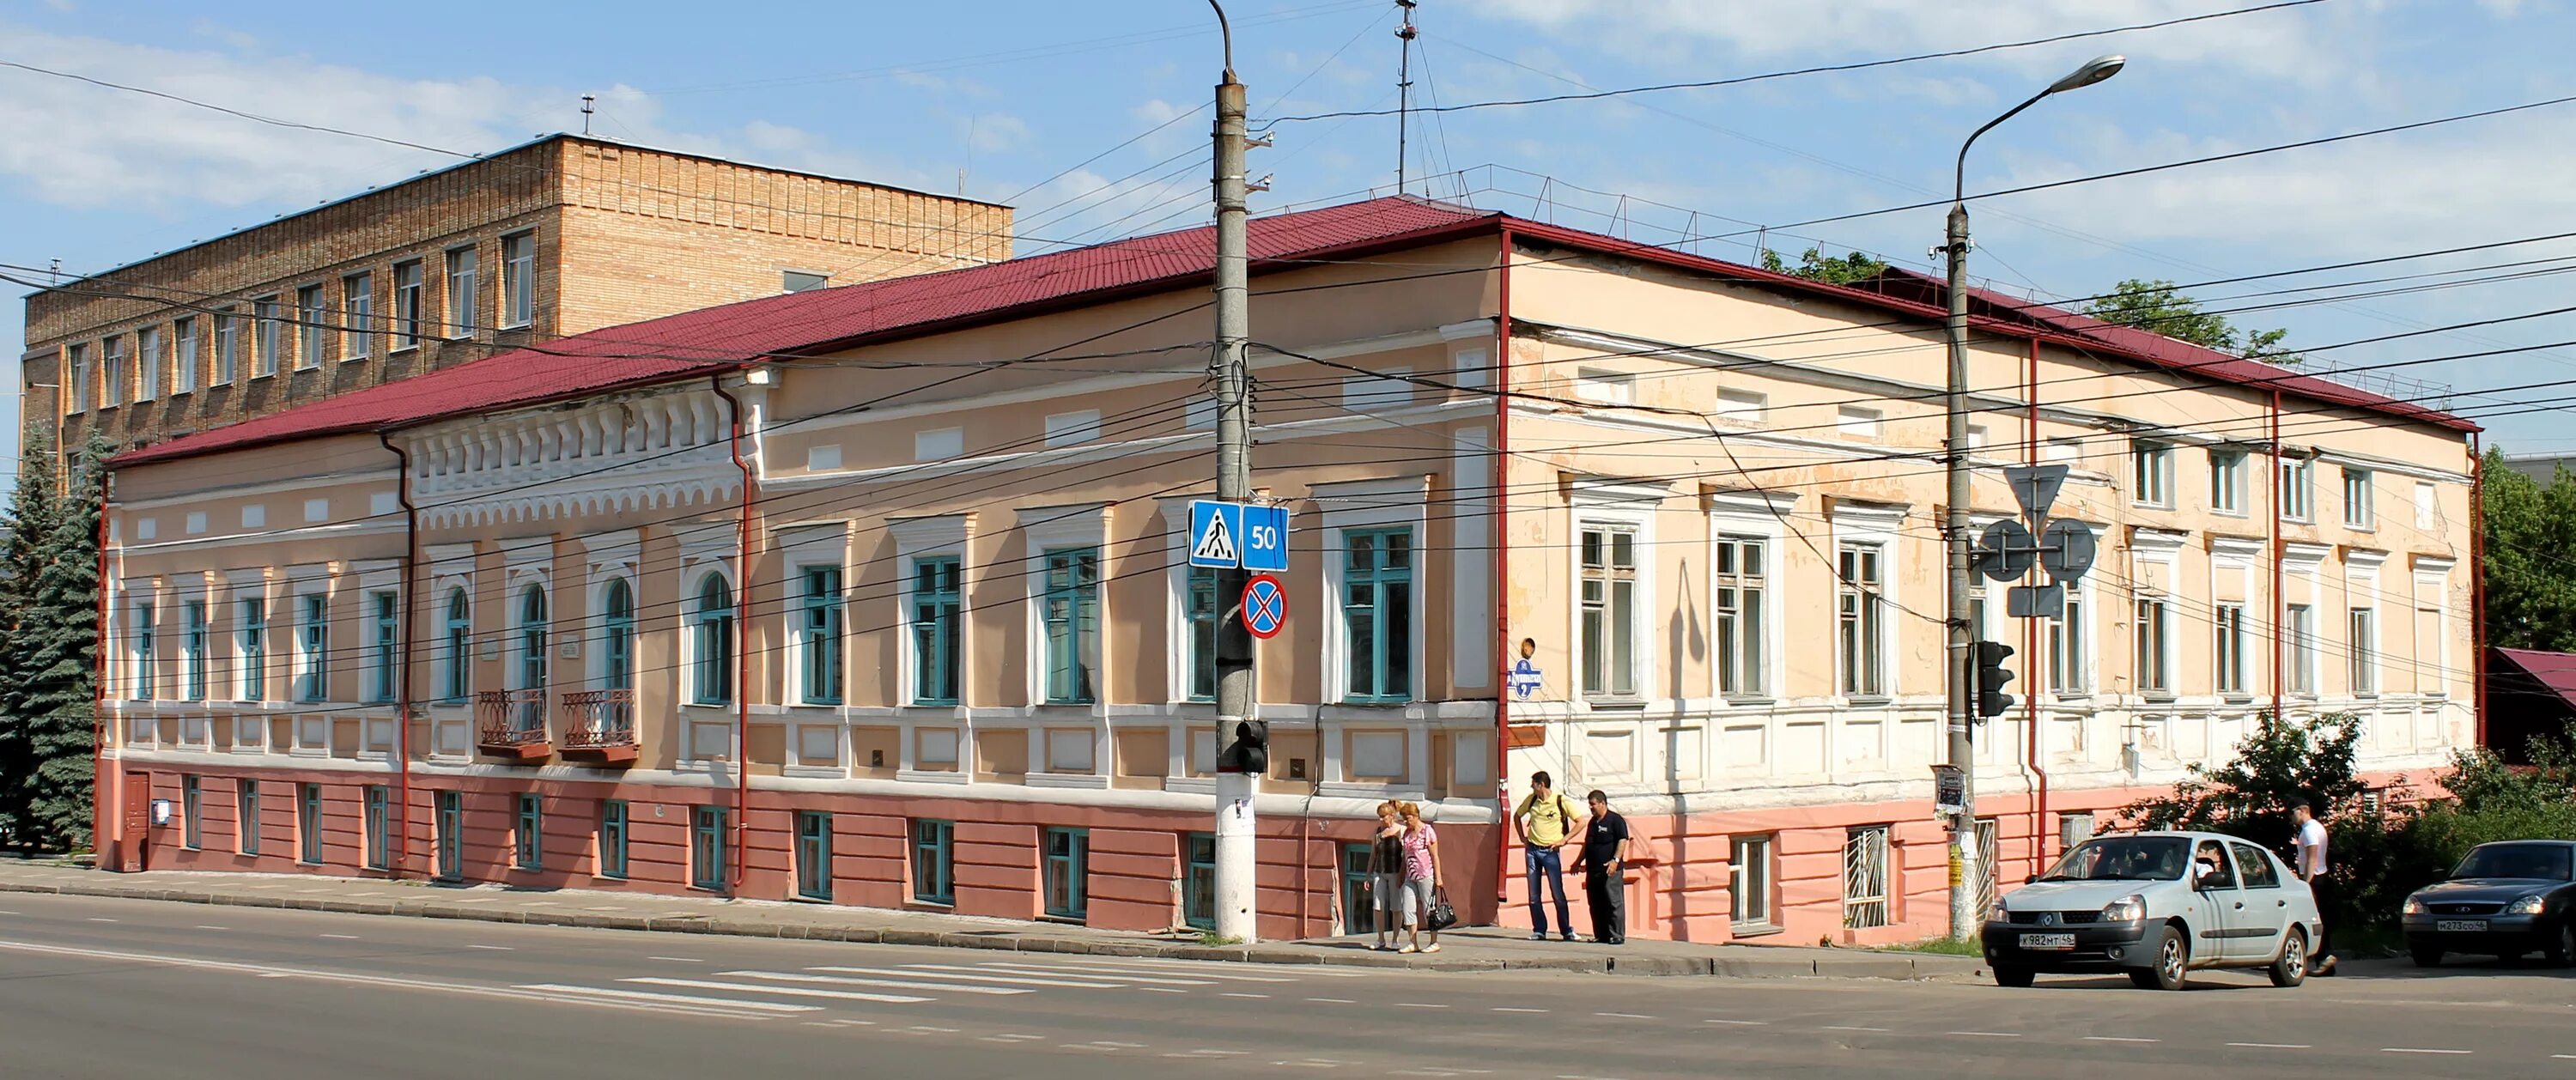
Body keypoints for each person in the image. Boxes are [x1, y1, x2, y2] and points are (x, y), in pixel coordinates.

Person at [1513, 771, 1584, 942]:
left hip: (1551, 851)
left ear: (1541, 785)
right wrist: (1523, 837)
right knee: (1534, 894)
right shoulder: (1532, 800)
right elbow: (1517, 816)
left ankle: (1566, 930)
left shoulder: (1560, 801)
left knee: (1557, 892)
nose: (1532, 787)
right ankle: (1539, 929)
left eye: (1533, 784)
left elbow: (1581, 822)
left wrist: (1564, 840)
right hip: (1532, 850)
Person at [1571, 790, 1633, 945]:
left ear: (1603, 803)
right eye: (1590, 805)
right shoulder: (1593, 822)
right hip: (1593, 870)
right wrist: (1578, 862)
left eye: (1593, 804)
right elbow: (1588, 844)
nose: (1591, 808)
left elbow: (1623, 840)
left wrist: (1615, 860)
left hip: (1610, 870)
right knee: (1596, 903)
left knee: (1613, 902)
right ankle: (1601, 935)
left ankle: (1617, 935)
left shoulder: (1615, 820)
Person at [2293, 801, 2338, 975]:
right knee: (2322, 917)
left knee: (2315, 919)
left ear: (2303, 810)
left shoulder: (2309, 830)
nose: (2291, 817)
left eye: (2293, 812)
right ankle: (2326, 963)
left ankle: (2325, 955)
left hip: (2315, 878)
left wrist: (2306, 882)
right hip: (2323, 876)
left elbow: (2312, 858)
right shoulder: (2318, 827)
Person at [1397, 801, 1443, 954]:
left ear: (1416, 816)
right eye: (1403, 818)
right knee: (1408, 907)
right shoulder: (1407, 834)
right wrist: (1401, 875)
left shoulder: (1427, 831)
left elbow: (1435, 856)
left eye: (1407, 818)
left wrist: (1438, 877)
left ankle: (1434, 941)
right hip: (1410, 877)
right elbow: (1405, 856)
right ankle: (1412, 942)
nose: (1405, 822)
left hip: (1426, 875)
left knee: (1429, 909)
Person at [1365, 801, 1406, 950]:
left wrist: (1403, 873)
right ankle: (1380, 938)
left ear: (1392, 816)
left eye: (1383, 817)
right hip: (1379, 871)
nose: (1381, 820)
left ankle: (1395, 939)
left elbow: (1406, 854)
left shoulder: (1401, 830)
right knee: (1377, 906)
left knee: (1396, 907)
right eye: (1379, 817)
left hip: (1395, 872)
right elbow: (1373, 855)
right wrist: (1367, 876)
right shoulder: (1378, 832)